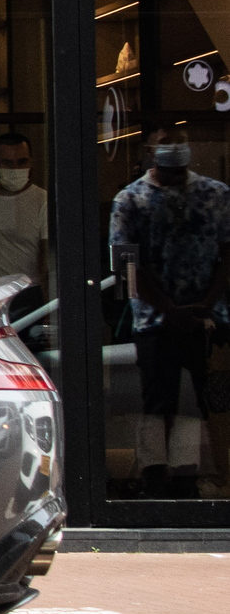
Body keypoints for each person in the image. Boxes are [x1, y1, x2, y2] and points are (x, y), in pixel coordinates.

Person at [110, 125, 230, 499]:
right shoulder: (130, 200)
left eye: (181, 141)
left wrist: (208, 302)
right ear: (149, 150)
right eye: (165, 143)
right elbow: (124, 264)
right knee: (157, 401)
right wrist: (168, 308)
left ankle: (196, 474)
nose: (175, 149)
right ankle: (155, 477)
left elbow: (229, 252)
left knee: (209, 401)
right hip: (154, 319)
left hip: (209, 319)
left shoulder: (216, 194)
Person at [0, 132, 49, 311]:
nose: (15, 169)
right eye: (7, 162)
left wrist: (47, 310)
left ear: (31, 162)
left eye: (22, 162)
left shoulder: (42, 200)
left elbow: (46, 262)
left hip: (26, 296)